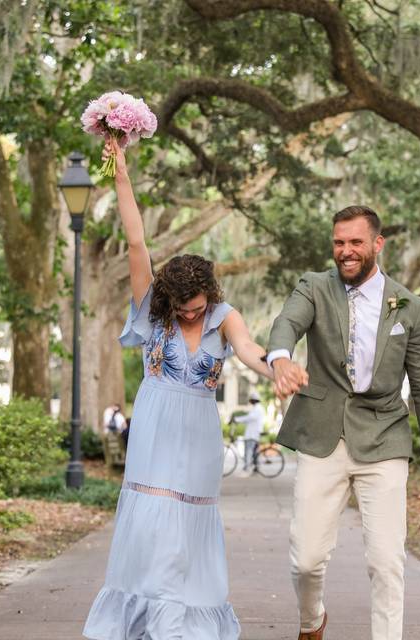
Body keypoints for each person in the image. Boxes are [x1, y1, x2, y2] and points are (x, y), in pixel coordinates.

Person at [82, 138, 306, 640]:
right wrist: (121, 173)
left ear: (211, 297)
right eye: (183, 309)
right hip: (157, 423)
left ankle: (186, 620)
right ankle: (157, 621)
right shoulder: (151, 312)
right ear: (168, 300)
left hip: (199, 430)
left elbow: (248, 348)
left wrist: (278, 367)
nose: (191, 315)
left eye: (198, 308)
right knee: (155, 518)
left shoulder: (224, 317)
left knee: (190, 524)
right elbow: (137, 243)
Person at [267, 205, 420, 640]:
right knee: (306, 560)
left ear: (377, 245)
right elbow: (285, 324)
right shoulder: (314, 287)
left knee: (386, 561)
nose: (345, 251)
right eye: (339, 243)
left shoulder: (411, 306)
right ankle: (312, 621)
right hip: (321, 435)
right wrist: (279, 359)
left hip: (384, 437)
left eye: (355, 243)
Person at [233, 391, 266, 473]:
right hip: (254, 433)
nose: (250, 401)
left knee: (249, 451)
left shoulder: (257, 409)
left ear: (254, 400)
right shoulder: (257, 408)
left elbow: (250, 418)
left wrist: (237, 419)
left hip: (252, 434)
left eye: (251, 400)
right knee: (254, 451)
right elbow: (248, 419)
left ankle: (247, 468)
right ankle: (255, 467)